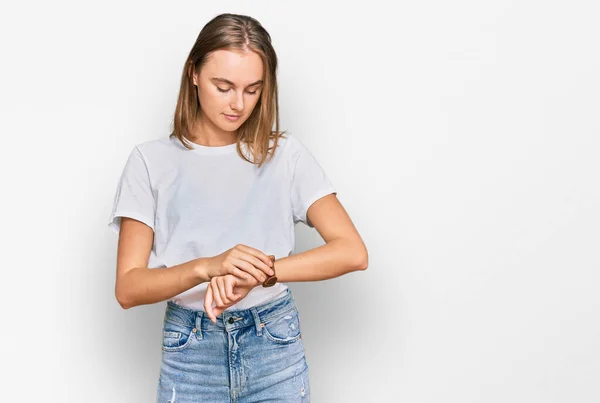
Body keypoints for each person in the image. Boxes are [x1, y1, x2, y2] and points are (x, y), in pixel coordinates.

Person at [108, 12, 368, 402]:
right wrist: (207, 266)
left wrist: (263, 273)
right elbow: (128, 287)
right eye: (223, 86)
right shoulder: (151, 161)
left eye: (252, 89)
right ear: (193, 74)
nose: (238, 104)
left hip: (273, 341)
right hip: (191, 351)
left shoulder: (285, 155)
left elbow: (352, 252)